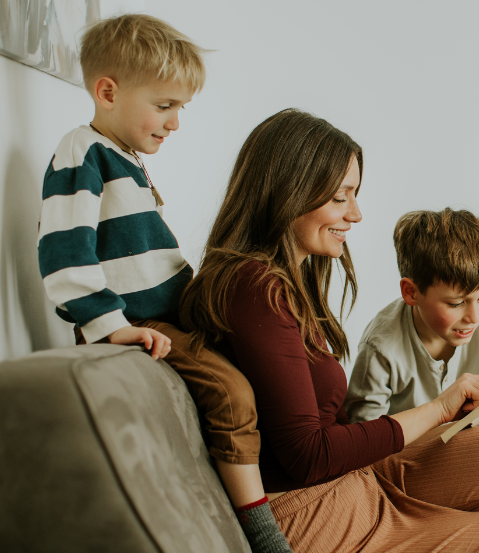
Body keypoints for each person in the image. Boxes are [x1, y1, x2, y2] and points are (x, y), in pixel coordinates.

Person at [179, 107, 479, 552]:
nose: (357, 214)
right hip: (323, 515)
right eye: (341, 197)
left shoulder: (283, 284)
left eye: (355, 195)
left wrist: (466, 417)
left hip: (357, 481)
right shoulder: (253, 288)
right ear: (289, 194)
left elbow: (333, 429)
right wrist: (443, 407)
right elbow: (309, 454)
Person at [36, 14, 291, 553]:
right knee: (233, 394)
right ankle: (264, 536)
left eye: (182, 108)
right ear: (108, 91)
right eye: (165, 105)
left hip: (177, 311)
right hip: (140, 321)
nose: (175, 123)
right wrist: (109, 327)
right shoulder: (83, 153)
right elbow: (63, 253)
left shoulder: (123, 156)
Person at [345, 207, 479, 425]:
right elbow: (362, 437)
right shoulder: (381, 346)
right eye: (456, 303)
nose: (474, 317)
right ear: (411, 292)